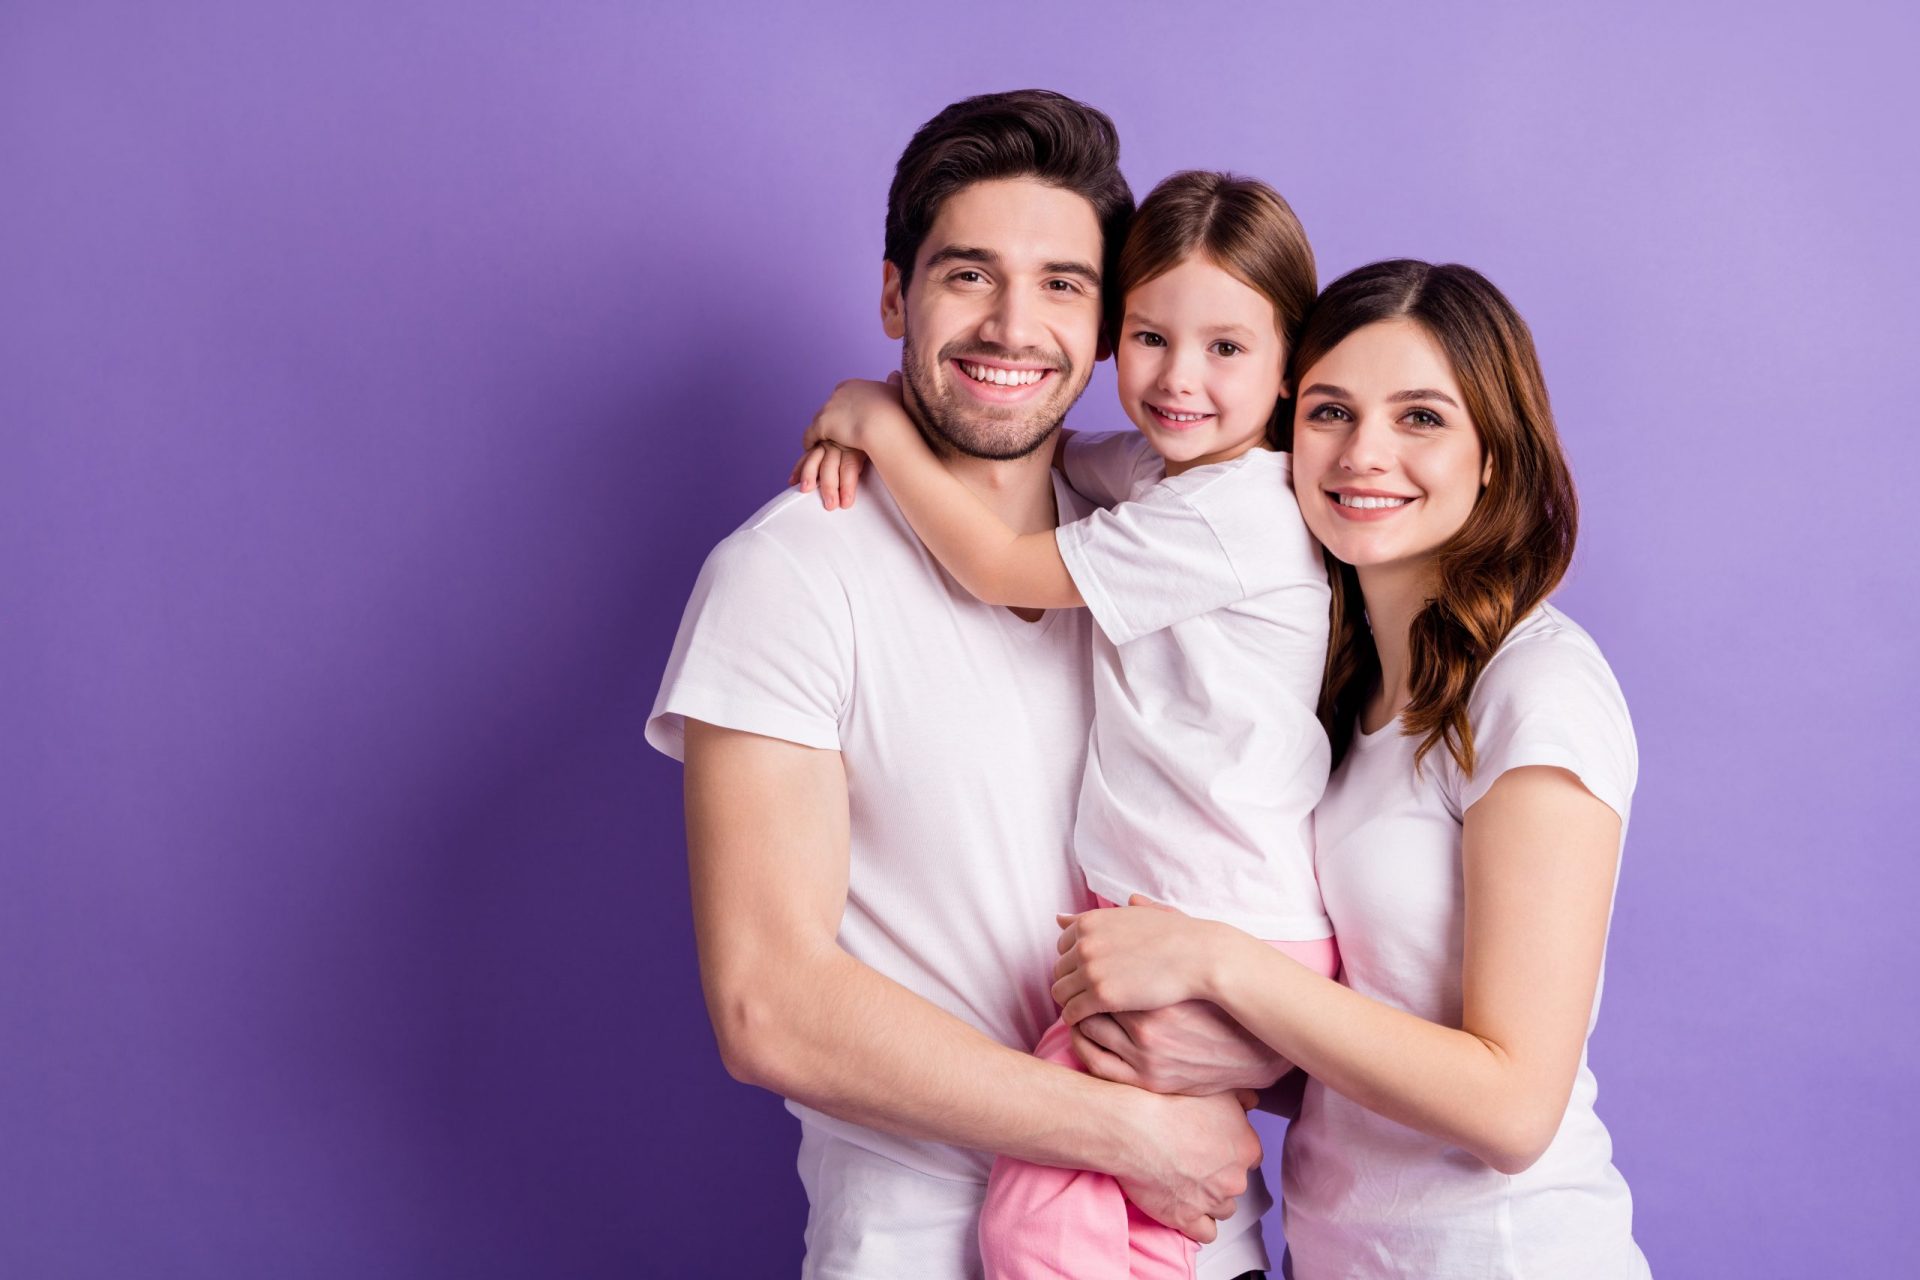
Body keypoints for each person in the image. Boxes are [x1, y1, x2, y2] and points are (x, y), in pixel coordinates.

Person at [648, 91, 1278, 1279]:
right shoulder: (789, 573)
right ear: (896, 295)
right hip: (931, 1251)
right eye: (968, 274)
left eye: (1061, 284)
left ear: (1109, 330)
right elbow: (768, 1002)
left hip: (1202, 1243)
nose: (1011, 324)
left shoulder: (1165, 546)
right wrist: (1134, 1131)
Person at [1048, 260, 1649, 1278]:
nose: (1366, 452)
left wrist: (1215, 961)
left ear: (1495, 456)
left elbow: (1511, 1107)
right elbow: (1388, 1032)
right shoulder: (1359, 697)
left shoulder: (1534, 692)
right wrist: (1251, 1060)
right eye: (1331, 410)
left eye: (1421, 418)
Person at [795, 170, 1339, 1280]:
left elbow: (1001, 561)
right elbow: (1034, 464)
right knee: (1127, 1218)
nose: (1179, 377)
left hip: (1205, 922)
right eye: (1149, 336)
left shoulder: (1236, 515)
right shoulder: (1164, 474)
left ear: (1292, 368)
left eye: (1228, 349)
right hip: (1199, 916)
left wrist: (875, 418)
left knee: (1034, 1225)